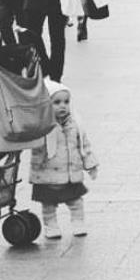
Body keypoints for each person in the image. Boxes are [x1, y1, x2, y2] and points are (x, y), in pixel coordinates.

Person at [29, 80, 98, 239]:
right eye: (57, 102)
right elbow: (31, 137)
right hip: (47, 175)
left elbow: (83, 145)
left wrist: (90, 164)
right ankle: (50, 225)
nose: (62, 106)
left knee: (76, 202)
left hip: (69, 174)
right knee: (48, 205)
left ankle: (78, 222)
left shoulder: (75, 124)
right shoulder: (42, 126)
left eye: (66, 102)